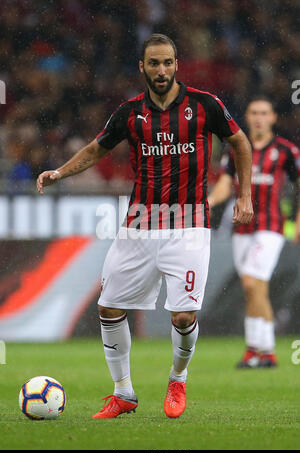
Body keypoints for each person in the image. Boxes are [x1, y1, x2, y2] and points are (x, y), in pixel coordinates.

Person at [36, 34, 253, 418]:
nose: (161, 70)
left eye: (167, 62)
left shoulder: (205, 105)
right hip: (139, 225)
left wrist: (245, 194)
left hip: (189, 224)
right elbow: (96, 149)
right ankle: (124, 393)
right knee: (108, 308)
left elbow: (240, 144)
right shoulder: (129, 113)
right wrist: (60, 173)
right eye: (154, 63)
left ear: (177, 64)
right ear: (142, 67)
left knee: (184, 316)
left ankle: (178, 379)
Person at [208, 97, 300, 368]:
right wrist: (211, 201)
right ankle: (259, 351)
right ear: (247, 117)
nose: (259, 118)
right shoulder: (236, 148)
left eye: (264, 113)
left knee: (250, 282)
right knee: (254, 288)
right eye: (254, 113)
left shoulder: (285, 150)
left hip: (271, 227)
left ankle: (262, 348)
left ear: (272, 118)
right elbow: (225, 184)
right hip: (242, 227)